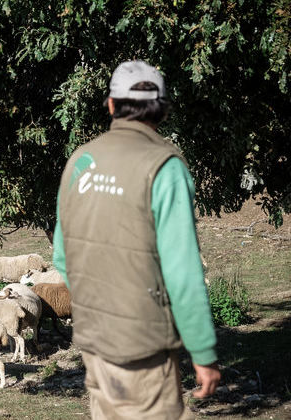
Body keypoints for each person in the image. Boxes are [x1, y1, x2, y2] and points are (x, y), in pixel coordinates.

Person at [53, 60, 221, 419]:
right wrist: (204, 353)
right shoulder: (164, 167)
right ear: (161, 109)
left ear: (112, 105)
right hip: (142, 348)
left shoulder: (80, 161)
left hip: (94, 345)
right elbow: (183, 272)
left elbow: (63, 257)